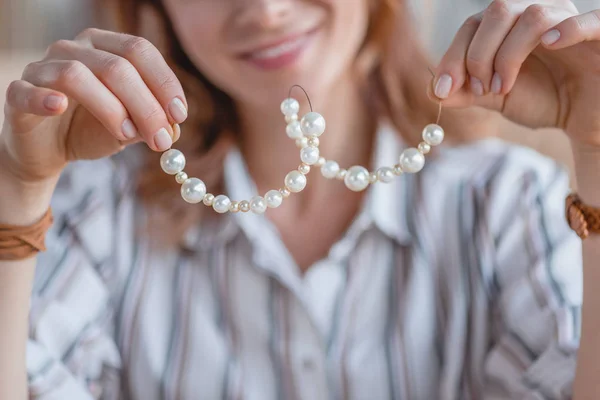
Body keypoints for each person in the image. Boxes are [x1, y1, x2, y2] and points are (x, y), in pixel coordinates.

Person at [1, 0, 599, 398]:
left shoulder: (511, 203)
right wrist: (17, 193)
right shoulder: (94, 208)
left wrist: (597, 151)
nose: (266, 11)